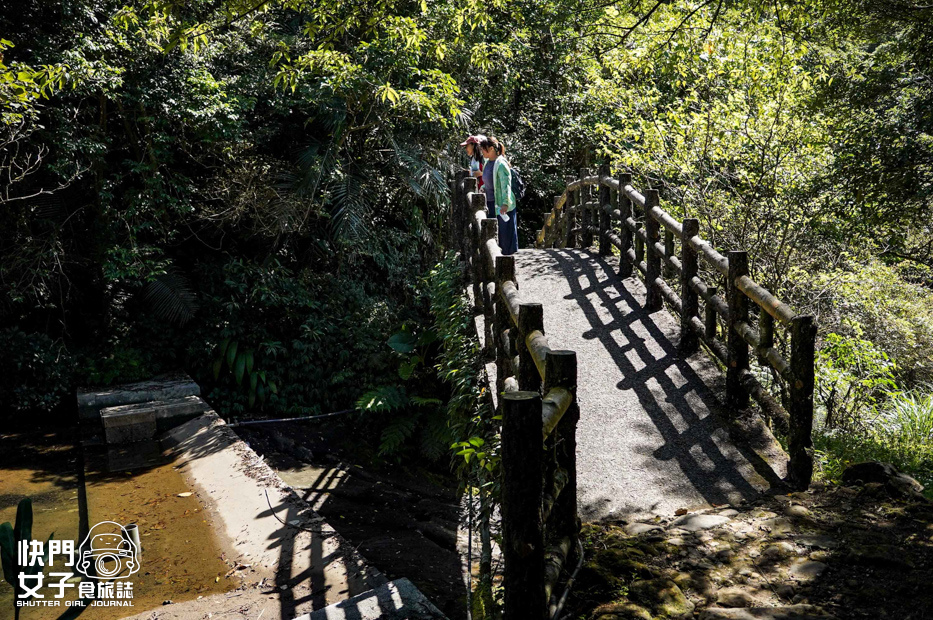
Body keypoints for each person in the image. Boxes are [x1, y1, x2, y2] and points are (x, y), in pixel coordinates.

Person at [479, 136, 518, 255]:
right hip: (491, 203)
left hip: (502, 205)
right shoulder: (487, 163)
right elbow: (491, 181)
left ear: (491, 148)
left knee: (504, 238)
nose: (481, 151)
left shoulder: (500, 164)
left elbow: (506, 185)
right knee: (494, 237)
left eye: (483, 149)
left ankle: (507, 262)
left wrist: (505, 203)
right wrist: (483, 187)